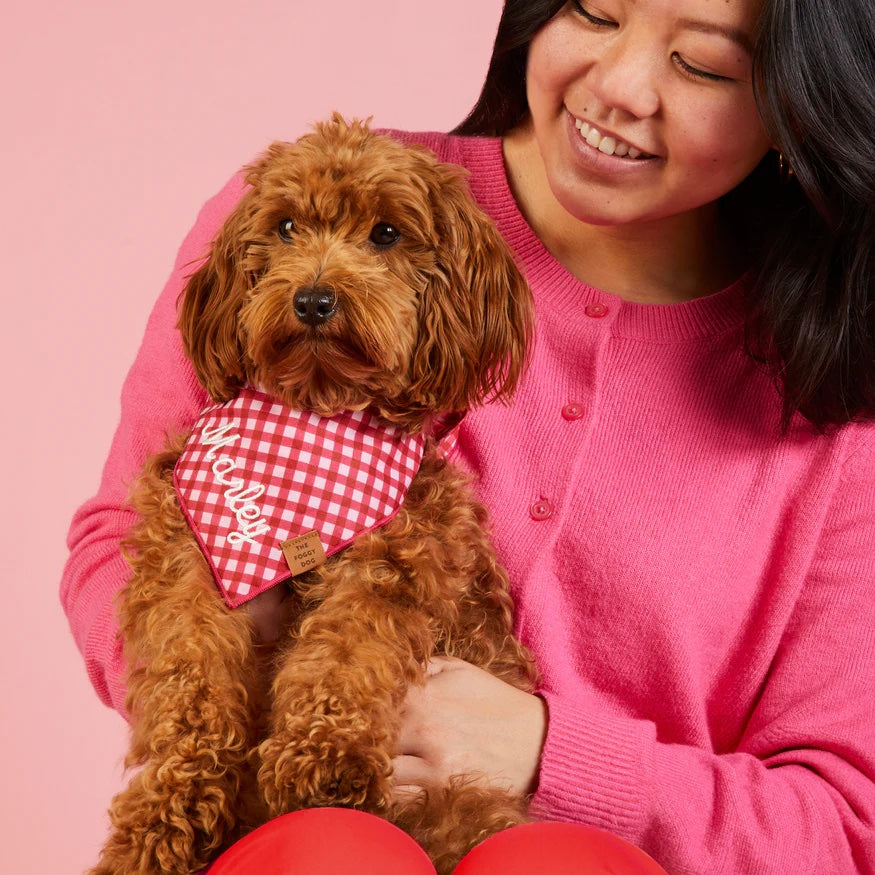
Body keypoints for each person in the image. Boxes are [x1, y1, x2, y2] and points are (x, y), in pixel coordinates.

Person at [62, 0, 875, 871]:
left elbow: (840, 820)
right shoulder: (282, 209)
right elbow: (123, 539)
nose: (619, 88)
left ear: (795, 105)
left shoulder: (836, 393)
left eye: (702, 64)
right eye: (595, 13)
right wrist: (240, 672)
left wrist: (548, 753)